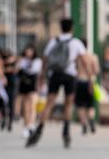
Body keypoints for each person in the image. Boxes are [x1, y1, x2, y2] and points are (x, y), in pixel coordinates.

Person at [26, 18, 88, 149]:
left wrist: (42, 76)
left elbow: (45, 59)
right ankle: (66, 132)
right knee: (68, 104)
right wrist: (89, 76)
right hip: (70, 75)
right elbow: (84, 60)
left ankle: (39, 129)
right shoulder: (76, 42)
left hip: (55, 75)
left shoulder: (53, 41)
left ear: (61, 27)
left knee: (49, 103)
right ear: (71, 28)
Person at [16, 44, 42, 139]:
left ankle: (31, 124)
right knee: (26, 107)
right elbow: (17, 70)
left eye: (30, 51)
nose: (29, 53)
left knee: (32, 105)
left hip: (32, 83)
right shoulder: (22, 60)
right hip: (24, 84)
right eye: (27, 51)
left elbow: (36, 72)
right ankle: (26, 126)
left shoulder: (37, 61)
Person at [74, 42, 99, 135]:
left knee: (80, 105)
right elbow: (96, 70)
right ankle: (91, 120)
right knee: (90, 104)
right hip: (91, 82)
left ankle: (84, 124)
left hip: (80, 81)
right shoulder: (93, 56)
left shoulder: (77, 58)